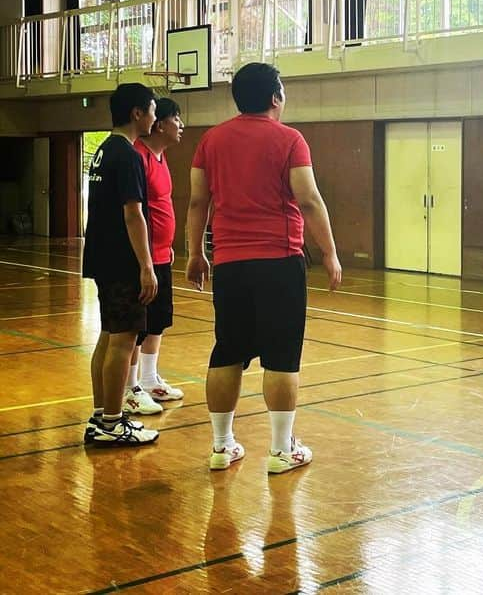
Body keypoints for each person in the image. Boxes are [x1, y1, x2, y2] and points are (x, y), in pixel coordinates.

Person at [186, 62, 342, 473]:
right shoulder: (290, 139)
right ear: (275, 97)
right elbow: (308, 199)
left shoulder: (211, 140)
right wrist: (329, 252)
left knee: (227, 351)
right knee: (281, 356)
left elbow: (198, 202)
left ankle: (222, 447)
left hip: (230, 264)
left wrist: (194, 252)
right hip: (279, 261)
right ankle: (280, 451)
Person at [82, 83, 160, 446]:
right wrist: (146, 265)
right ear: (137, 113)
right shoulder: (128, 155)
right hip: (121, 261)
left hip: (102, 257)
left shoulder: (103, 150)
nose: (155, 117)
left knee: (109, 336)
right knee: (123, 341)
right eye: (153, 110)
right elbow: (134, 214)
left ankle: (102, 415)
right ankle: (113, 423)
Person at [120, 97, 185, 416]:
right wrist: (144, 256)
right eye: (176, 120)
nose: (181, 126)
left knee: (158, 320)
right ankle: (130, 387)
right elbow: (135, 212)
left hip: (162, 253)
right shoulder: (139, 157)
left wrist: (167, 244)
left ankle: (148, 379)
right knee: (138, 325)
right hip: (143, 257)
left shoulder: (161, 158)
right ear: (159, 124)